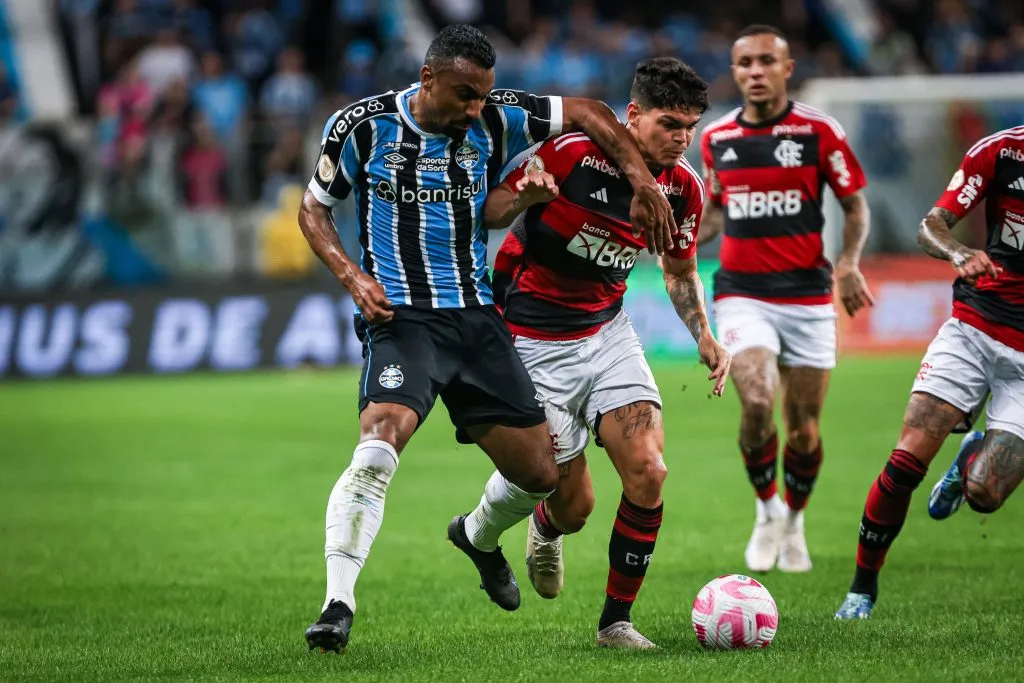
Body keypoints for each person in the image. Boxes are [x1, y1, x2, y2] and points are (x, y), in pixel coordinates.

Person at [297, 24, 679, 653]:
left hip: (478, 319)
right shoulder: (360, 126)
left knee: (540, 475)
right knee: (379, 443)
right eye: (464, 95)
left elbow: (594, 113)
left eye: (483, 96)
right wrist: (352, 276)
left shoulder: (497, 118)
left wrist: (639, 181)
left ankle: (476, 537)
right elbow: (314, 209)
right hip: (403, 320)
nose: (476, 109)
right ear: (427, 80)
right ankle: (338, 603)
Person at [466, 57, 730, 649]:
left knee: (649, 468)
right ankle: (528, 526)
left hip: (607, 333)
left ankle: (616, 622)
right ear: (632, 115)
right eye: (669, 123)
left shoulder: (684, 188)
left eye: (690, 126)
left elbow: (681, 271)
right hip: (531, 341)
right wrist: (525, 199)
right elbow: (488, 213)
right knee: (577, 505)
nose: (681, 138)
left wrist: (704, 336)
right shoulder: (570, 155)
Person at [697, 24, 872, 573]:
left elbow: (855, 207)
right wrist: (674, 234)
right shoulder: (717, 137)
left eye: (766, 61)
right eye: (744, 62)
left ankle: (793, 520)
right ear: (734, 71)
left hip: (809, 297)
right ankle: (765, 508)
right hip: (742, 294)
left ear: (786, 68)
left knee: (803, 429)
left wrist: (847, 263)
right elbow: (718, 212)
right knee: (754, 400)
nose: (755, 71)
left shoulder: (820, 132)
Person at [835, 124, 1024, 620]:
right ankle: (861, 589)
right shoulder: (1001, 152)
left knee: (986, 495)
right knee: (907, 458)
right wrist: (959, 252)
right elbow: (931, 225)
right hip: (976, 326)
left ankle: (968, 462)